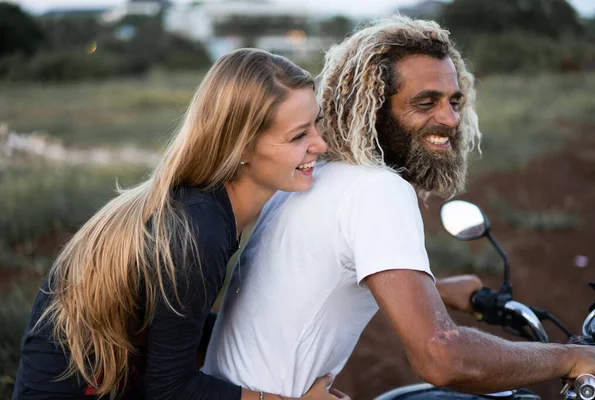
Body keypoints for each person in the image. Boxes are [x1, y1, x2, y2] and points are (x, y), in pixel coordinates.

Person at [203, 16, 595, 397]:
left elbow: (324, 271)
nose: (449, 118)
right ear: (374, 107)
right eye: (426, 103)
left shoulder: (315, 176)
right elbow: (441, 356)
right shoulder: (378, 190)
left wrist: (438, 289)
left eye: (454, 101)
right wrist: (572, 356)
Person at [13, 48, 350, 400]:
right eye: (298, 136)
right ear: (241, 147)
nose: (320, 144)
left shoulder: (203, 207)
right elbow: (169, 389)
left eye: (317, 123)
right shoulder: (197, 230)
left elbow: (171, 323)